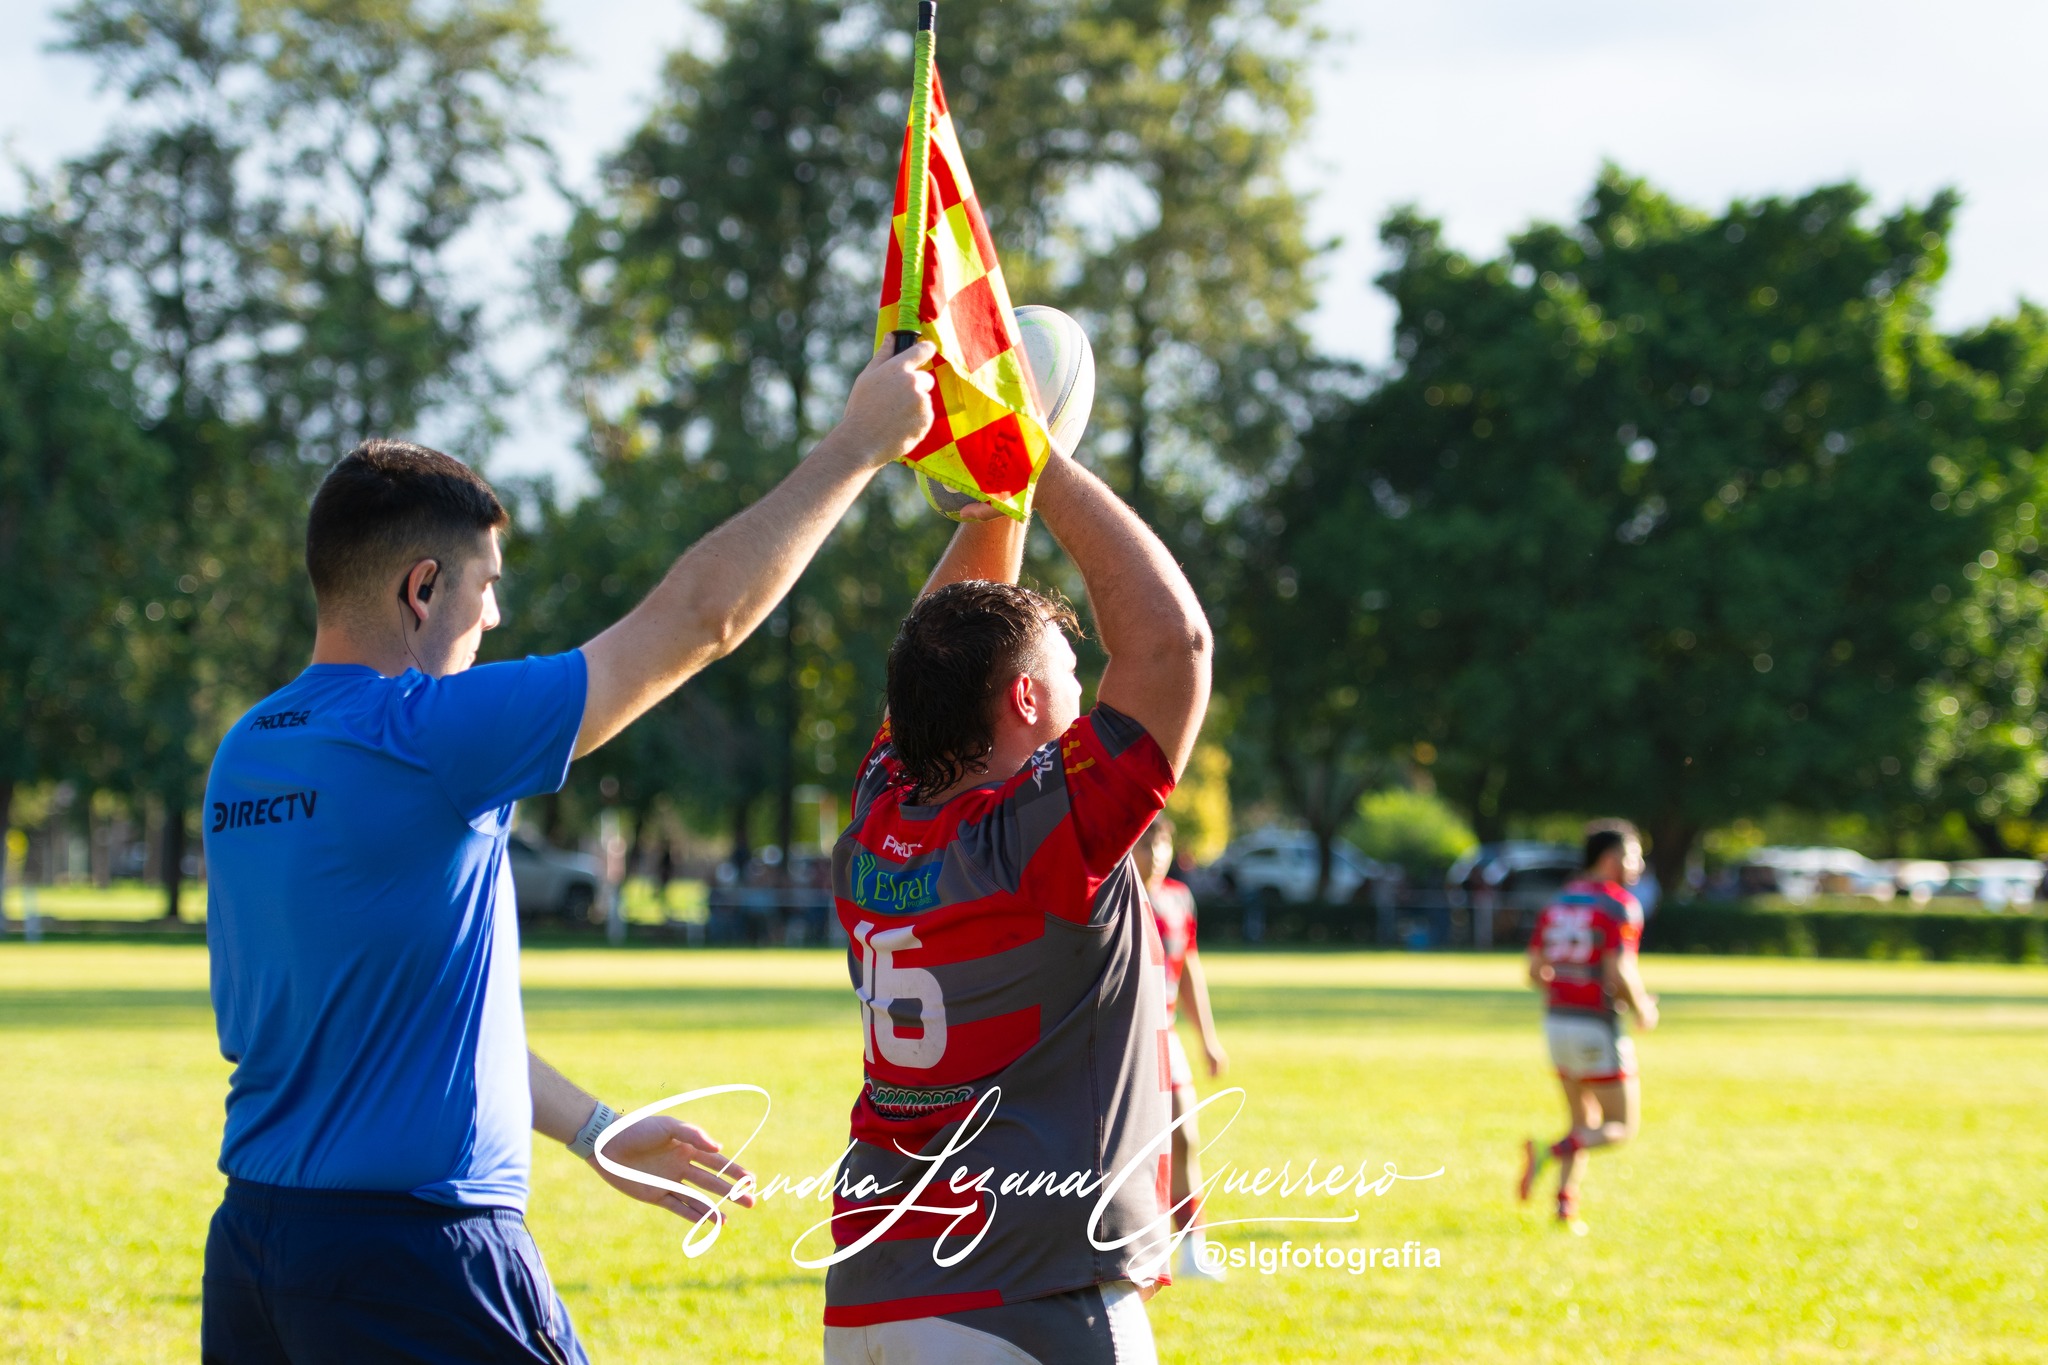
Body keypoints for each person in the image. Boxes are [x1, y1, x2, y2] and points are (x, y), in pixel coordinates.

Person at [200, 342, 936, 1363]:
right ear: (423, 589)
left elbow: (399, 1025)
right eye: (485, 585)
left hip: (253, 1256)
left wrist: (592, 1128)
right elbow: (699, 622)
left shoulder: (246, 753)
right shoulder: (424, 735)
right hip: (416, 1254)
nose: (495, 615)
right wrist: (857, 446)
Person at [821, 444, 1212, 1363]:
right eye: (1073, 676)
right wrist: (1042, 458)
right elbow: (1171, 646)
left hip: (870, 1300)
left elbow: (936, 647)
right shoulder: (1042, 838)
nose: (1089, 692)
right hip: (1024, 1294)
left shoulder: (880, 812)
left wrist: (994, 491)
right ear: (1030, 699)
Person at [1517, 819, 1660, 1228]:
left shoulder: (1559, 901)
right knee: (1620, 1126)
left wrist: (1566, 979)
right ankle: (1547, 1151)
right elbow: (1620, 969)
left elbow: (1532, 971)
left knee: (1582, 1122)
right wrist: (1643, 1009)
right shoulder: (1617, 905)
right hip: (1595, 1024)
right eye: (1635, 855)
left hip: (1556, 1022)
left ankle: (1565, 1208)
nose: (1639, 864)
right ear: (1612, 858)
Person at [1131, 815, 1228, 1282]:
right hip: (1122, 1042)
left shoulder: (1177, 897)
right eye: (1147, 842)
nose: (1156, 852)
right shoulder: (1113, 897)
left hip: (1165, 1036)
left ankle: (1194, 1250)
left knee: (1186, 1137)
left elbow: (1187, 966)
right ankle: (1134, 1249)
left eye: (1163, 842)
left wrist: (1207, 1039)